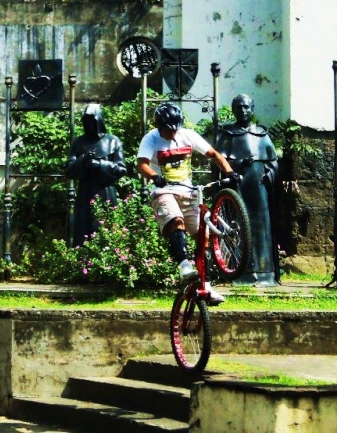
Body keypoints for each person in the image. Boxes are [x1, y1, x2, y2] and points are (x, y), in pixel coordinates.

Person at [137, 102, 239, 305]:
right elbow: (142, 165)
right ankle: (184, 265)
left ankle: (206, 287)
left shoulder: (187, 135)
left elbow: (214, 155)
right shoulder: (151, 138)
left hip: (188, 193)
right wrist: (155, 177)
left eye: (176, 128)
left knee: (206, 237)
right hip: (164, 192)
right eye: (168, 130)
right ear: (159, 127)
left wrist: (229, 172)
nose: (173, 133)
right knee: (176, 221)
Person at [214, 94, 281, 286]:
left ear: (252, 109)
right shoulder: (227, 135)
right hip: (237, 188)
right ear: (234, 110)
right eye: (239, 107)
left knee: (261, 228)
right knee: (237, 225)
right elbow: (219, 162)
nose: (243, 111)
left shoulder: (262, 134)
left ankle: (264, 272)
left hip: (259, 190)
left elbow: (273, 162)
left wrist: (268, 173)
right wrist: (240, 164)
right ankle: (238, 272)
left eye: (246, 107)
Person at [63, 104, 127, 247]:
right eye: (87, 121)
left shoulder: (113, 141)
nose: (90, 125)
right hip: (85, 193)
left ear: (99, 121)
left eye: (93, 121)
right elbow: (68, 170)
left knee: (106, 231)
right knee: (83, 232)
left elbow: (121, 169)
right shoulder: (79, 143)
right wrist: (83, 160)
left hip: (106, 192)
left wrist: (100, 165)